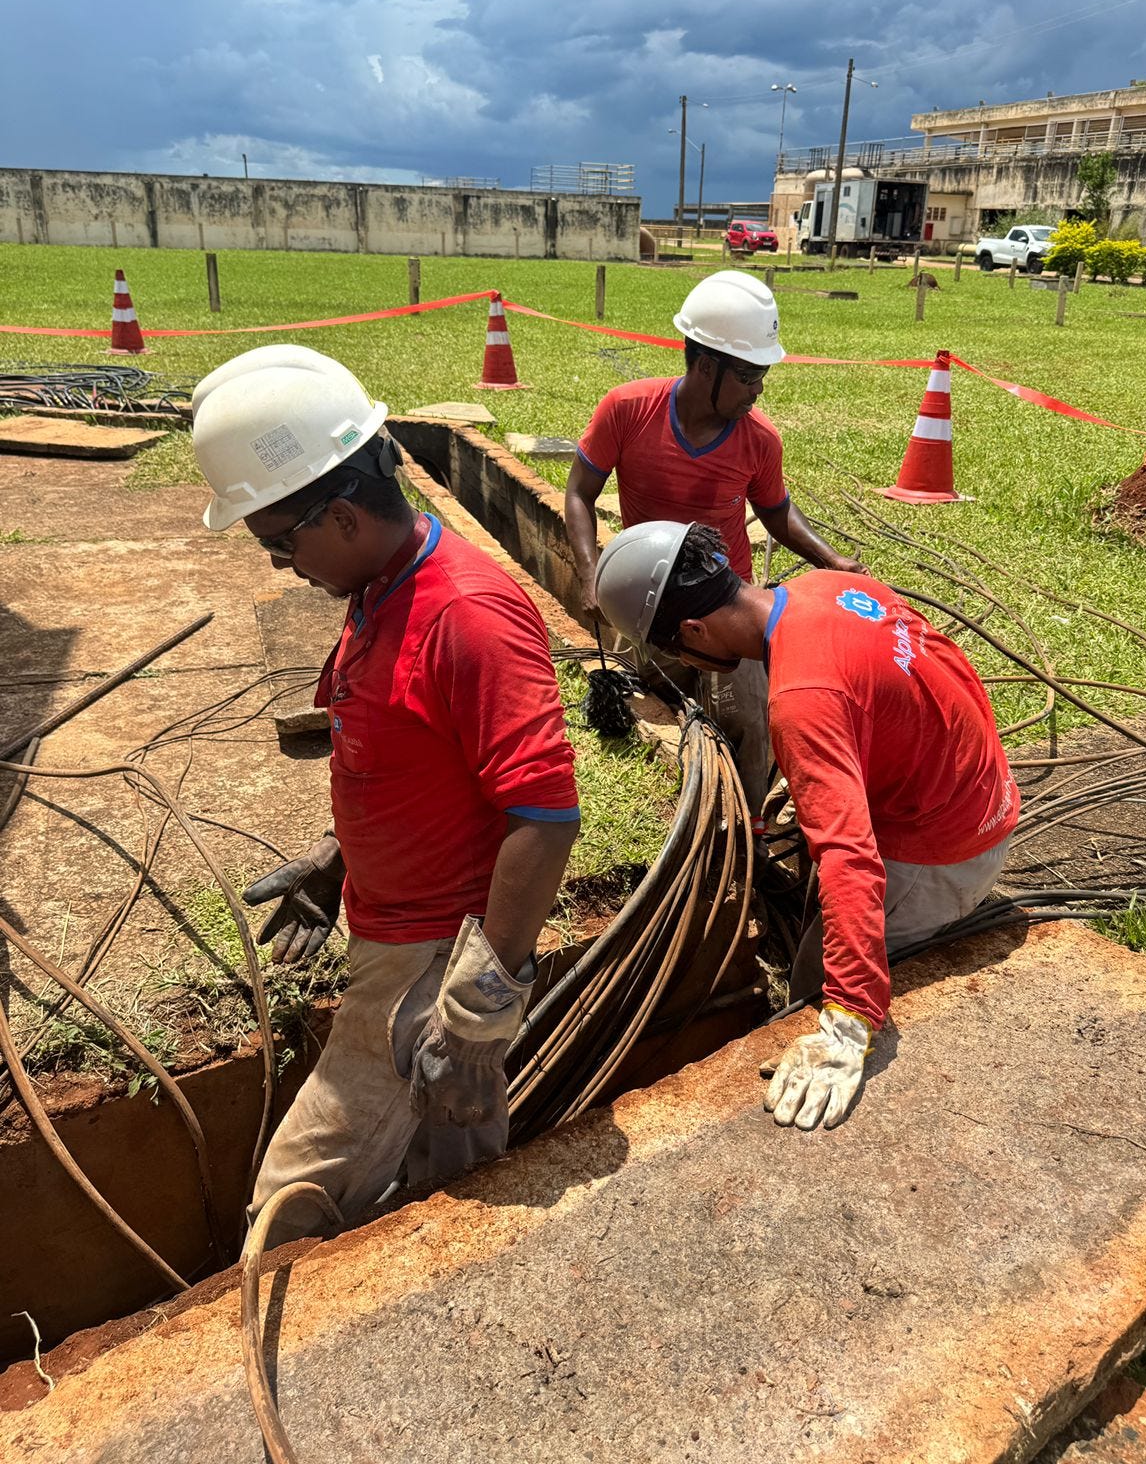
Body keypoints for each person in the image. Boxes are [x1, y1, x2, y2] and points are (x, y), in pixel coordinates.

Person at [191, 346, 580, 1241]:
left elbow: (546, 816)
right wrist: (340, 860)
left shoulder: (465, 616)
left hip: (430, 962)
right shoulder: (380, 586)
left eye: (279, 543)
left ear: (340, 515)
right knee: (453, 1171)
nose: (281, 565)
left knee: (287, 1212)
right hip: (394, 933)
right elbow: (411, 753)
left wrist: (475, 1014)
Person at [593, 520, 1019, 1133]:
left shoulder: (802, 699)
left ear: (693, 630)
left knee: (816, 977)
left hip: (943, 851)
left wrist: (848, 1018)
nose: (683, 661)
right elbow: (941, 658)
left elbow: (849, 857)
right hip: (985, 796)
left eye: (674, 650)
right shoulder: (828, 588)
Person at [564, 270, 864, 818]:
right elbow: (580, 493)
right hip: (652, 604)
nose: (758, 389)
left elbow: (775, 510)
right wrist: (591, 576)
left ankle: (744, 831)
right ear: (706, 366)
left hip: (727, 604)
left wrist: (832, 560)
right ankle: (685, 810)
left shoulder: (759, 439)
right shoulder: (627, 410)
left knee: (749, 721)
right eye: (748, 376)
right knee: (658, 702)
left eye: (761, 376)